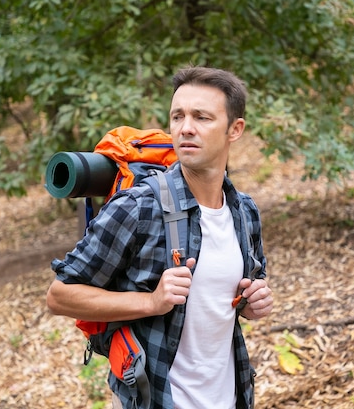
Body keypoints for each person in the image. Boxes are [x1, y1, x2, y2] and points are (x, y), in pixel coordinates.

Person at [46, 66, 274, 409]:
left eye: (202, 117)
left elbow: (232, 299)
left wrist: (252, 303)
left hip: (230, 396)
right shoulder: (139, 208)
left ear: (234, 129)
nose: (186, 128)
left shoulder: (244, 212)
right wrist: (151, 302)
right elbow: (60, 296)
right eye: (177, 116)